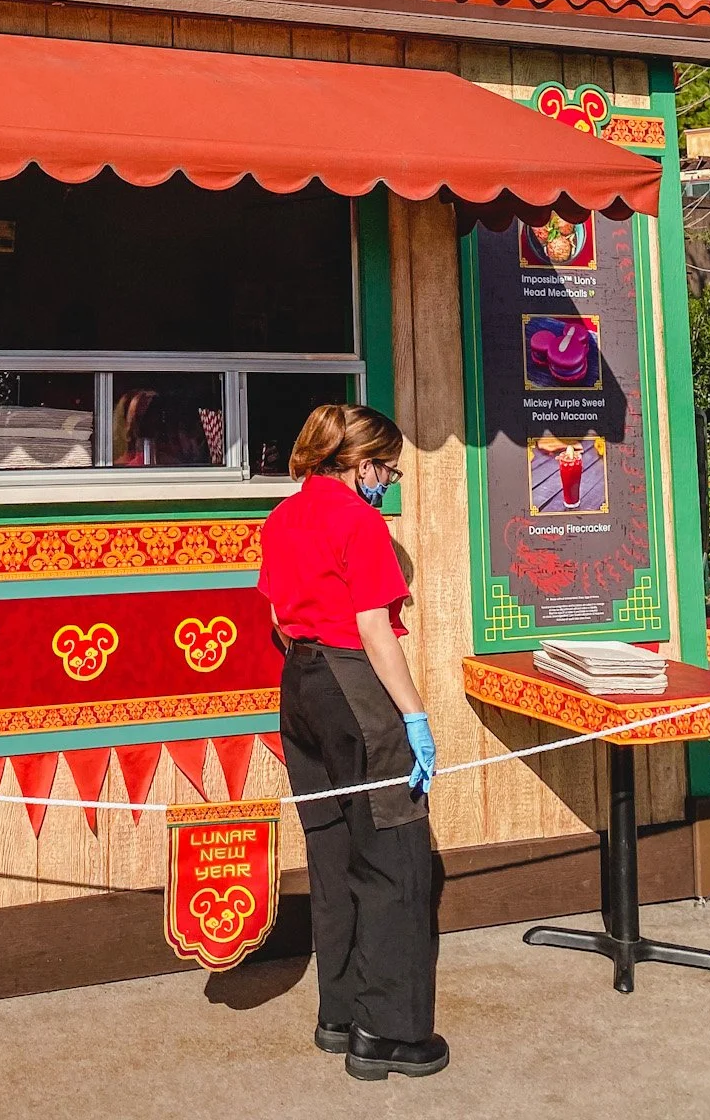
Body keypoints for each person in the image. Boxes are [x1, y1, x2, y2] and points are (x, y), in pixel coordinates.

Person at [257, 402, 448, 1082]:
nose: (389, 481)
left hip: (300, 686)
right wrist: (415, 716)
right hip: (354, 686)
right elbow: (373, 628)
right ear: (361, 465)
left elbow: (279, 618)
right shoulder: (360, 522)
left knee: (332, 852)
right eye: (388, 469)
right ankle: (386, 1033)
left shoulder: (281, 517)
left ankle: (337, 1015)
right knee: (394, 856)